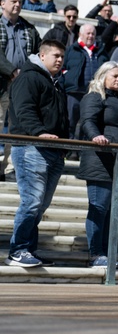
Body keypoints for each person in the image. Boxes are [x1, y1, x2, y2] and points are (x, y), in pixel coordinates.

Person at [5, 39, 67, 267]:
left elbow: (62, 119)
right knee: (31, 202)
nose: (60, 60)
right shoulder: (28, 77)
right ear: (42, 56)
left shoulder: (56, 83)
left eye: (62, 56)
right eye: (55, 56)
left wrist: (63, 149)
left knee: (40, 205)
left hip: (53, 151)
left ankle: (28, 249)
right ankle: (18, 250)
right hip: (31, 147)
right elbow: (24, 109)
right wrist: (39, 133)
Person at [76, 61, 118, 268]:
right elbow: (87, 121)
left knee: (112, 212)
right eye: (114, 76)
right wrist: (96, 136)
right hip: (101, 162)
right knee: (99, 208)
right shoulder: (95, 96)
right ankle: (96, 254)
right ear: (102, 76)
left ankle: (107, 255)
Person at [0, 0, 42, 179]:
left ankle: (8, 167)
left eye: (20, 2)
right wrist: (11, 71)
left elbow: (37, 53)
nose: (17, 5)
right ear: (2, 4)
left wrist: (26, 73)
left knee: (17, 126)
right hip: (2, 83)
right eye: (13, 1)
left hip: (21, 85)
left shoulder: (29, 29)